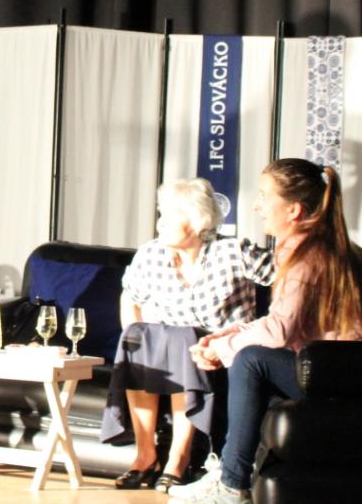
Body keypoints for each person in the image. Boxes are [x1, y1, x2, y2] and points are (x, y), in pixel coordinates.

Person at [174, 159, 362, 503]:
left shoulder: (308, 253)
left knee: (251, 360)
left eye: (264, 196)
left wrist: (224, 349)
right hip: (350, 372)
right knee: (250, 359)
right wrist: (226, 338)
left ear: (293, 210)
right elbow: (284, 320)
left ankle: (231, 483)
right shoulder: (322, 245)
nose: (256, 205)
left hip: (355, 378)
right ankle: (233, 471)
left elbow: (278, 331)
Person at [101, 179, 274, 493]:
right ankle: (146, 456)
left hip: (221, 354)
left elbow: (289, 276)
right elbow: (130, 297)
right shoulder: (151, 254)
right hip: (174, 353)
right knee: (139, 337)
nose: (161, 223)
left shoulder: (234, 251)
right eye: (161, 214)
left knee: (183, 339)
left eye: (171, 215)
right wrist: (134, 335)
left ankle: (178, 460)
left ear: (198, 221)